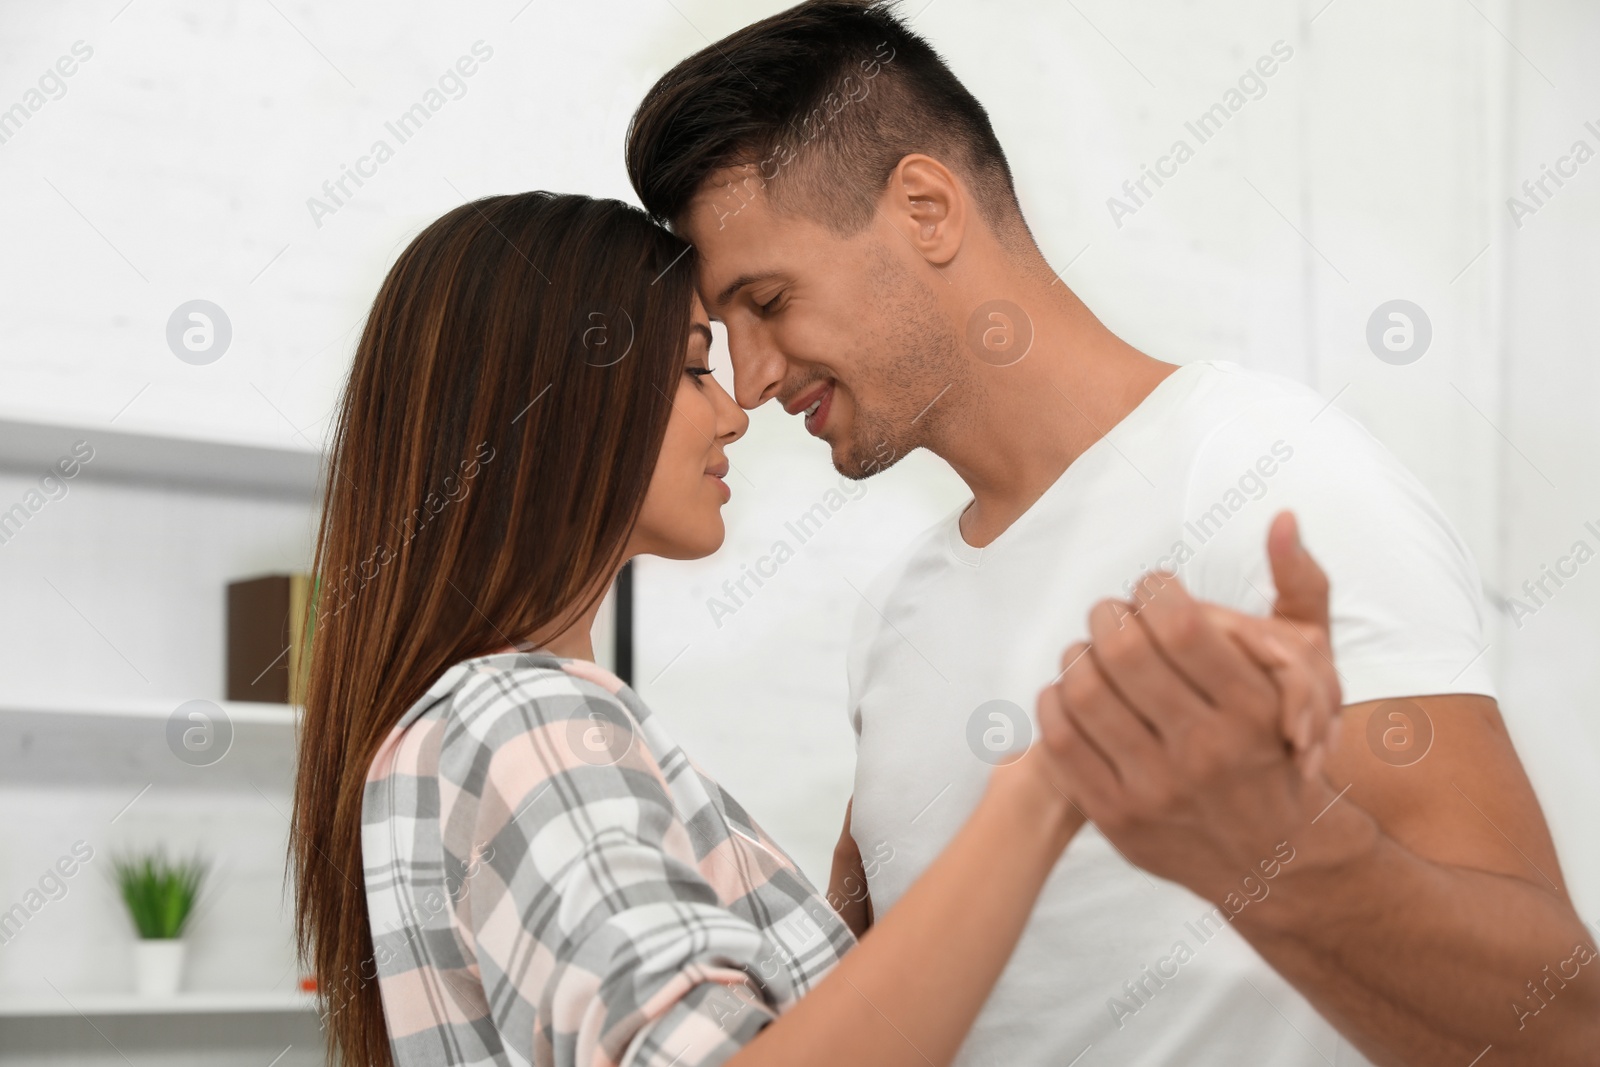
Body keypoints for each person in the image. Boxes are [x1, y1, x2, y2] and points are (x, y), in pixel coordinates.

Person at [623, 2, 1599, 1065]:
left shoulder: (1269, 482)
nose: (752, 378)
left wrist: (1268, 848)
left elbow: (1558, 1023)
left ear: (925, 208)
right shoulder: (895, 618)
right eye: (725, 336)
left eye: (767, 300)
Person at [288, 192, 1332, 1067]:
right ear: (556, 400)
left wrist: (839, 928)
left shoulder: (454, 733)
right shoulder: (524, 716)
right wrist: (1051, 782)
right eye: (697, 363)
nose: (738, 407)